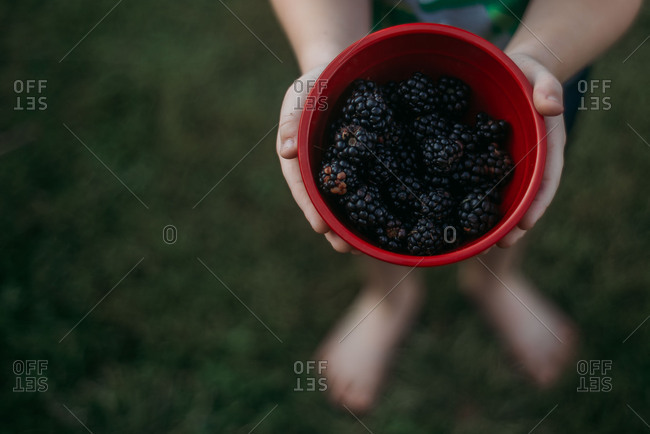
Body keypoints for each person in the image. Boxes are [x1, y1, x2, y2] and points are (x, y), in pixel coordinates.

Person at [270, 0, 642, 413]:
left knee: (518, 201)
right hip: (367, 38)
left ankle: (495, 281)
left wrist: (537, 57)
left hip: (549, 51)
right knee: (376, 235)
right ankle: (389, 299)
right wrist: (328, 57)